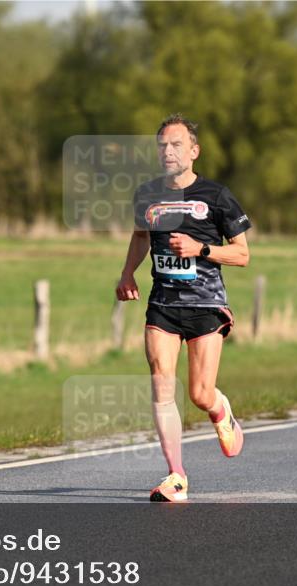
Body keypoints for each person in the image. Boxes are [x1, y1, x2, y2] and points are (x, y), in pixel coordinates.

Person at [115, 113, 251, 502]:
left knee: (199, 393)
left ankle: (220, 409)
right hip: (163, 303)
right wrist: (127, 273)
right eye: (162, 145)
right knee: (161, 380)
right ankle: (176, 475)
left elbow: (243, 255)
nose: (168, 151)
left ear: (194, 151)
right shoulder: (147, 194)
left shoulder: (217, 196)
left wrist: (201, 249)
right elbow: (141, 236)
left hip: (206, 304)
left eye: (176, 144)